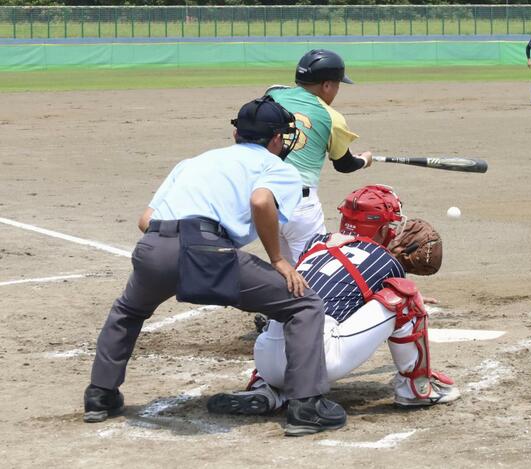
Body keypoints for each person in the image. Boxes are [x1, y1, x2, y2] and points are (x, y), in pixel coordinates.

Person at [83, 96, 347, 437]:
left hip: (154, 247)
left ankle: (100, 396)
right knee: (304, 304)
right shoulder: (278, 167)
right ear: (277, 139)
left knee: (128, 311)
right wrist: (278, 260)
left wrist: (176, 249)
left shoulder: (194, 162)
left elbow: (145, 219)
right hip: (208, 250)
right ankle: (307, 406)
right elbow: (261, 200)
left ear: (237, 135)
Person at [206, 185, 460, 416]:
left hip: (266, 358)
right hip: (319, 360)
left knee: (296, 308)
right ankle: (416, 389)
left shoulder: (315, 243)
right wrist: (411, 296)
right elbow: (390, 297)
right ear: (383, 227)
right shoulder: (385, 260)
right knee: (406, 297)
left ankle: (267, 389)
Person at [266, 50, 373, 265]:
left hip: (263, 201)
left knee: (283, 271)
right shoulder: (332, 117)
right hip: (300, 206)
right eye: (337, 85)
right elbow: (343, 164)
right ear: (326, 85)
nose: (336, 91)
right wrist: (363, 160)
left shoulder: (273, 95)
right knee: (314, 272)